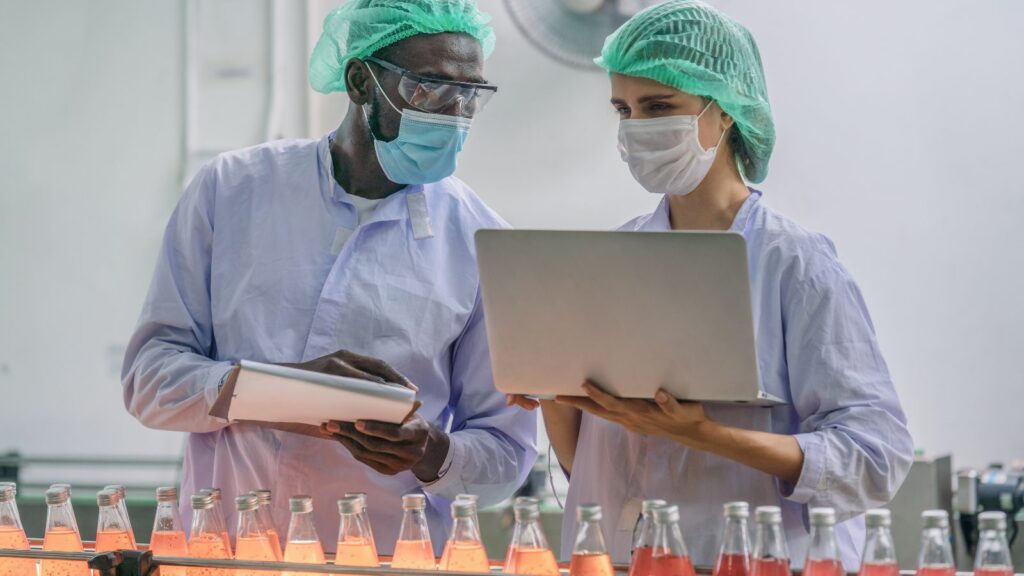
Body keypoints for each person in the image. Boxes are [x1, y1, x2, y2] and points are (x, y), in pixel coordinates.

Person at [122, 0, 536, 553]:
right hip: (232, 552)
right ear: (361, 81)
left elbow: (507, 452)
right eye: (427, 87)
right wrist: (277, 392)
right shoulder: (234, 190)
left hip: (388, 557)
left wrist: (430, 450)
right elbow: (150, 381)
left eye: (469, 95)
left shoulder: (481, 240)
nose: (452, 112)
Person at [509, 0, 913, 568]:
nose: (636, 128)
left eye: (659, 106)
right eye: (623, 110)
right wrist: (553, 393)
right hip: (628, 559)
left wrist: (704, 432)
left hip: (760, 560)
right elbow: (595, 469)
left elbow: (875, 459)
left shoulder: (793, 265)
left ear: (723, 112)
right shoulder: (607, 262)